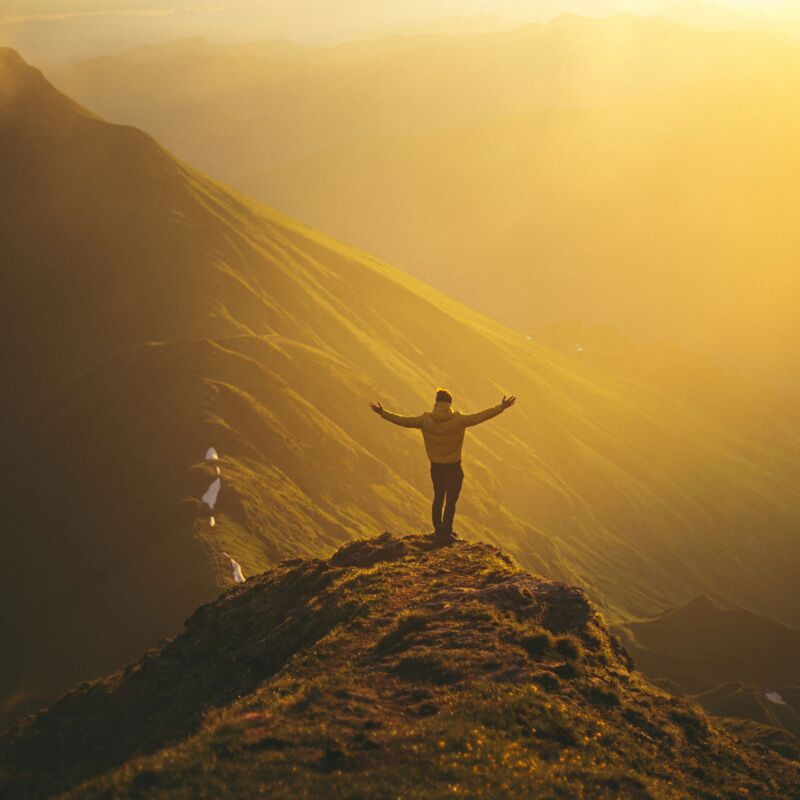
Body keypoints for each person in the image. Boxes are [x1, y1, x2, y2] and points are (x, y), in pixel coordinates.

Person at [370, 388, 516, 545]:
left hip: (436, 467)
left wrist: (383, 413)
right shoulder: (459, 420)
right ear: (449, 403)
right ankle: (446, 533)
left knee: (438, 498)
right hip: (454, 467)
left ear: (436, 402)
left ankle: (438, 531)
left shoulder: (425, 420)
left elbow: (404, 421)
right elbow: (480, 417)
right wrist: (500, 408)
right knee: (451, 501)